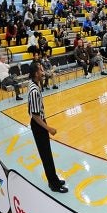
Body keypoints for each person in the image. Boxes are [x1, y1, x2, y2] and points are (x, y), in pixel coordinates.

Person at [27, 62, 67, 193]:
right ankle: (54, 184)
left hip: (40, 122)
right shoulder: (33, 90)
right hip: (38, 125)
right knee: (46, 156)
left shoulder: (34, 84)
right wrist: (48, 128)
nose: (43, 72)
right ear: (35, 73)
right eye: (40, 70)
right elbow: (34, 115)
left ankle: (53, 179)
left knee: (47, 154)